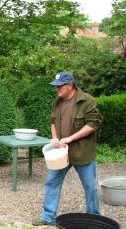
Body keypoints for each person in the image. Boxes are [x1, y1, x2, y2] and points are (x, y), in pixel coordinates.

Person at [32, 71, 102, 226]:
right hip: (61, 154)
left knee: (90, 186)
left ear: (70, 85)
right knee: (52, 181)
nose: (57, 89)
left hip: (82, 152)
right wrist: (55, 137)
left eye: (60, 86)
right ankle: (48, 216)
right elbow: (53, 122)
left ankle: (94, 218)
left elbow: (93, 124)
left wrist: (70, 138)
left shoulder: (87, 101)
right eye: (56, 86)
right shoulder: (57, 102)